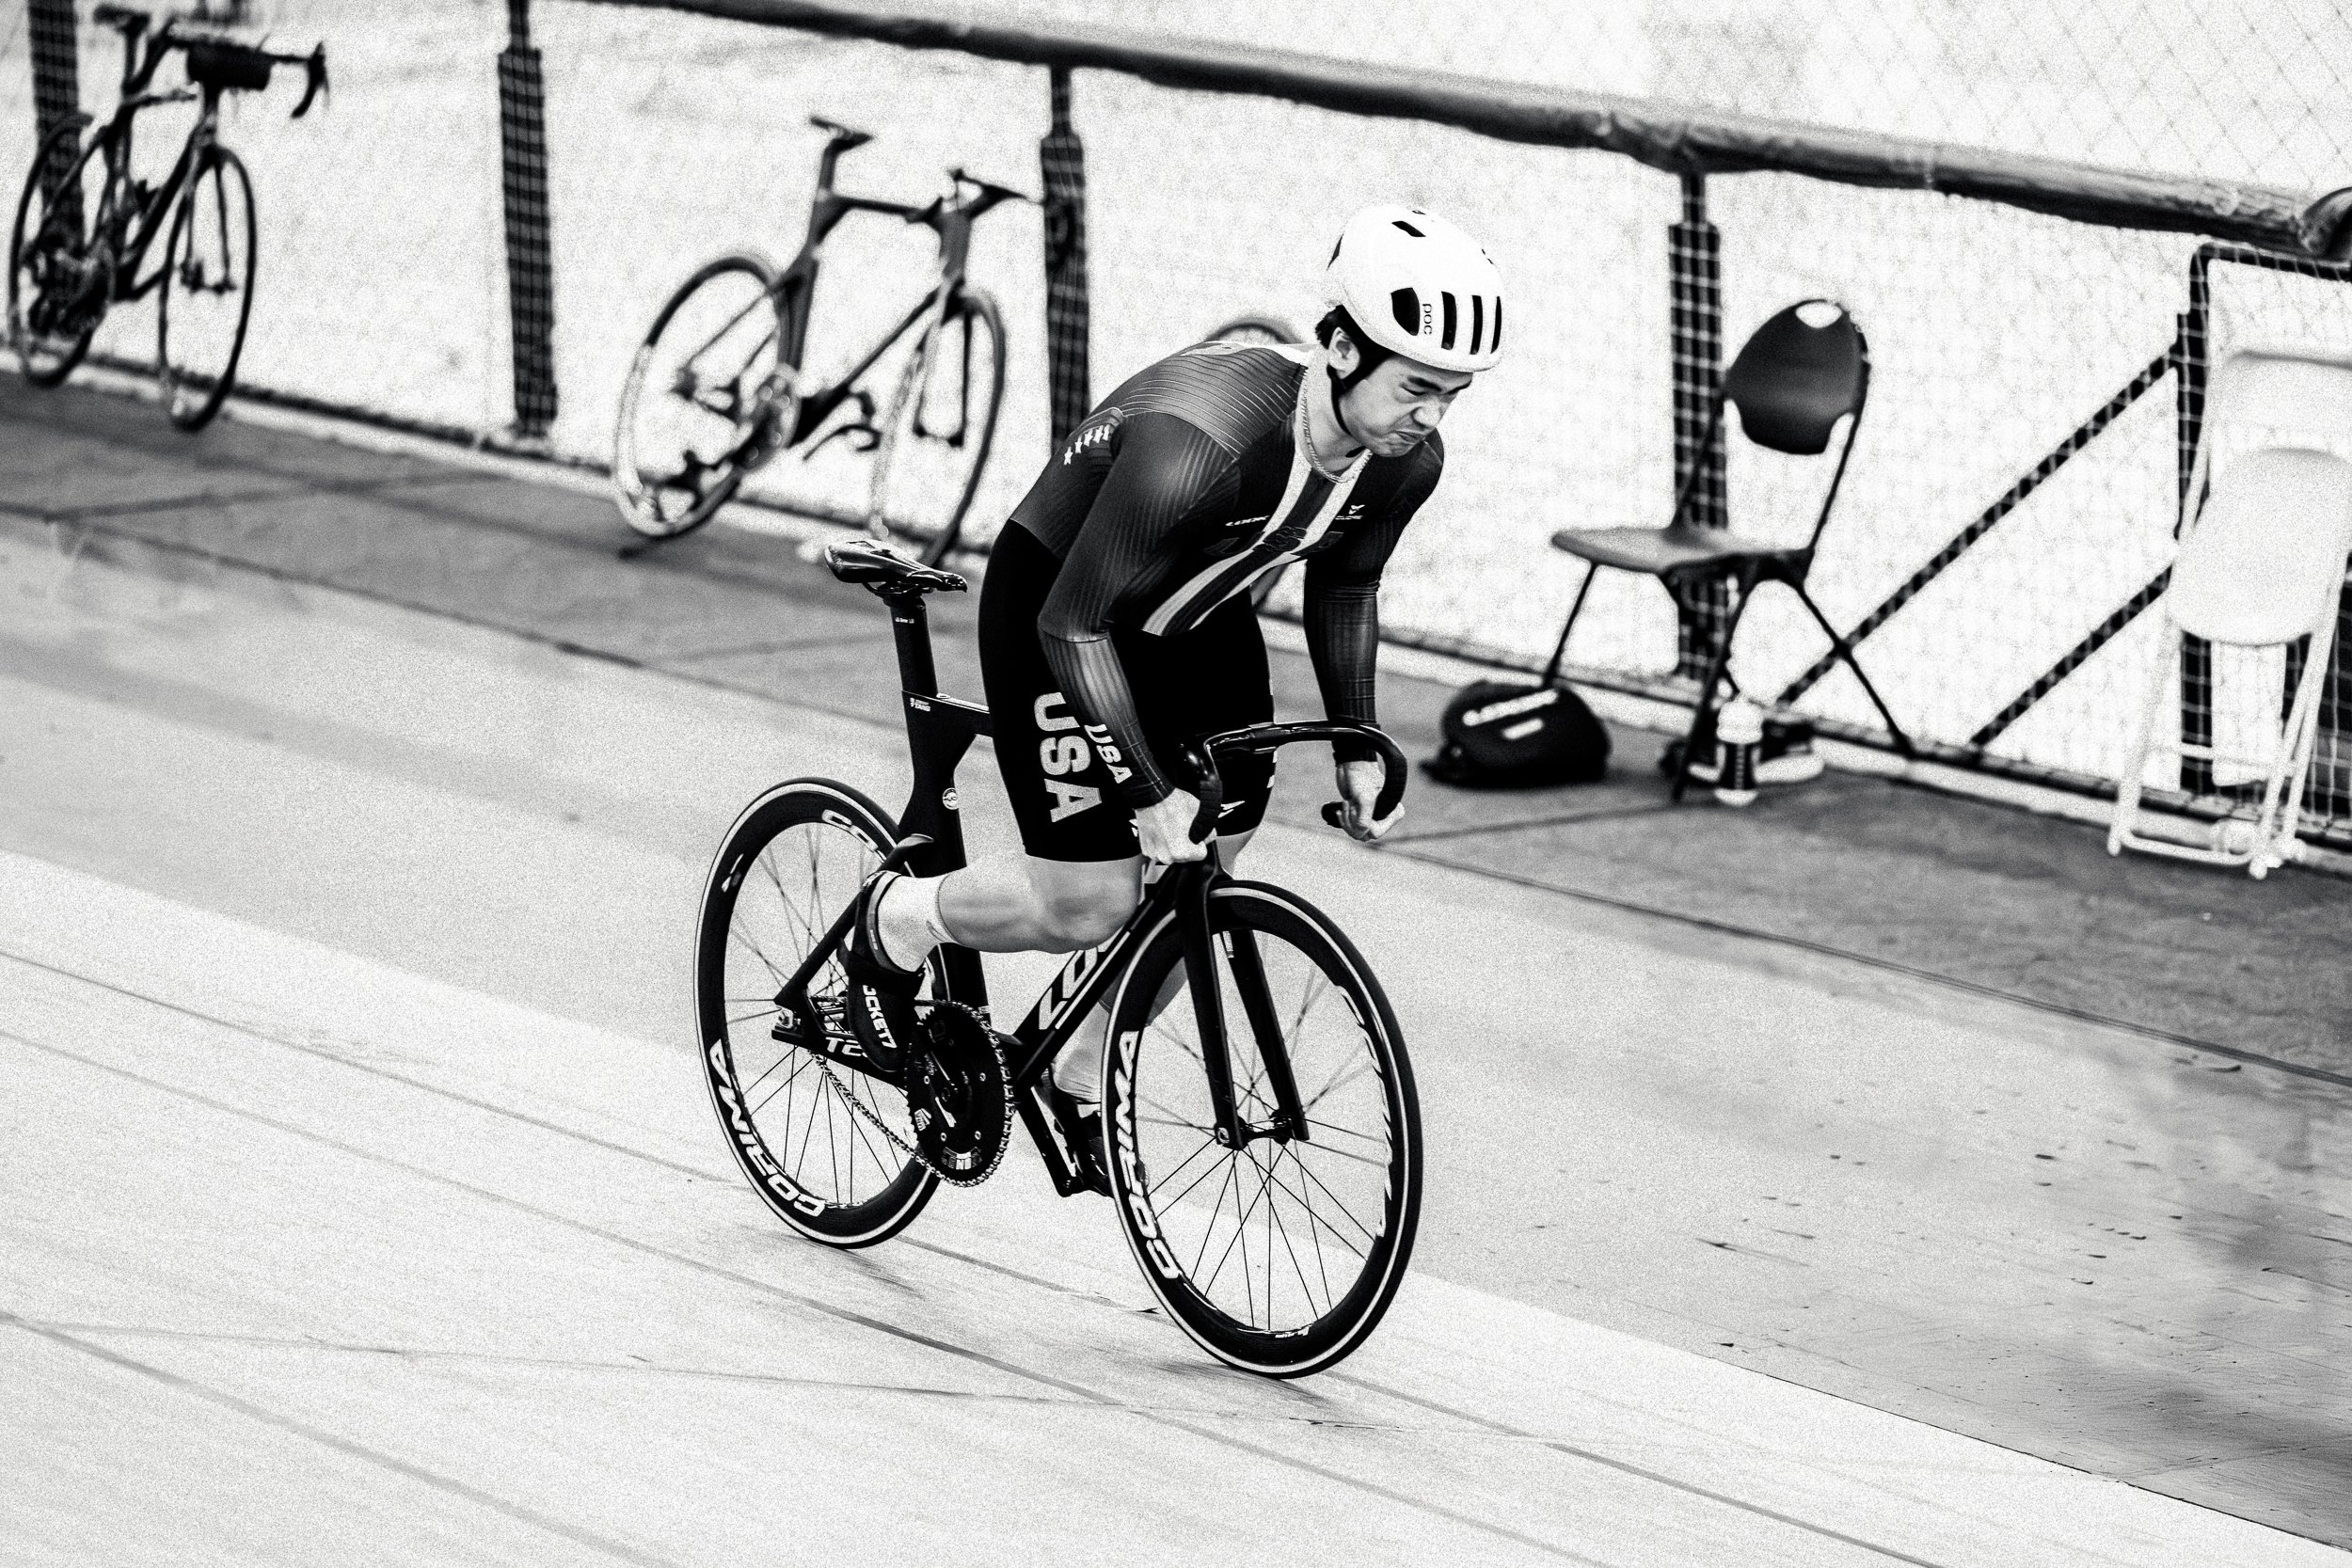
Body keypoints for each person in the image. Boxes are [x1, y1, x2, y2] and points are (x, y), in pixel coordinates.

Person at [844, 203, 1505, 1182]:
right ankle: (897, 919)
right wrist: (1146, 793)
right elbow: (1074, 624)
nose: (1430, 416)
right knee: (1088, 898)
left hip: (1195, 617)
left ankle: (1071, 1071)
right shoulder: (1207, 441)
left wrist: (1357, 745)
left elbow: (1346, 583)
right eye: (1416, 387)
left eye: (1451, 394)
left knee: (1216, 843)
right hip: (1063, 606)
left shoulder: (1407, 461)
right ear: (1337, 345)